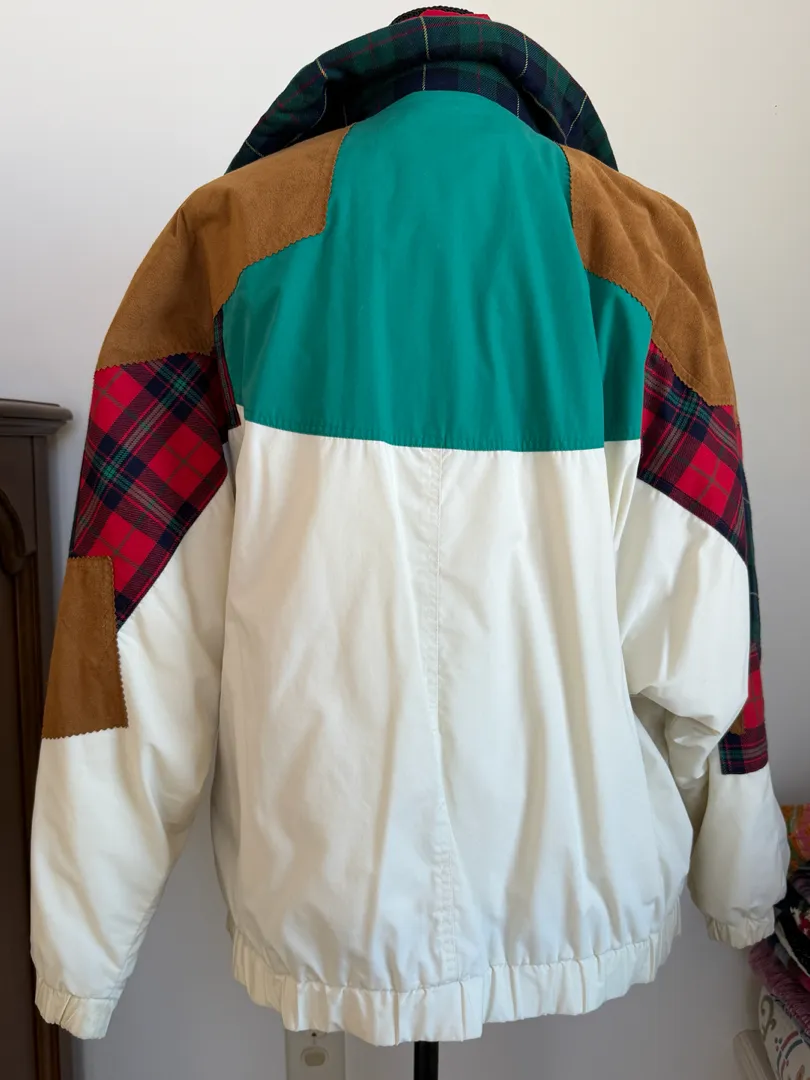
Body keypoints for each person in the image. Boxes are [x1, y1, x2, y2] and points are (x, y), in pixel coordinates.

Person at [31, 7, 788, 1046]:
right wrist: (741, 879)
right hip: (579, 874)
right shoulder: (636, 245)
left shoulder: (229, 233)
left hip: (323, 889)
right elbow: (710, 592)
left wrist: (81, 949)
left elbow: (126, 627)